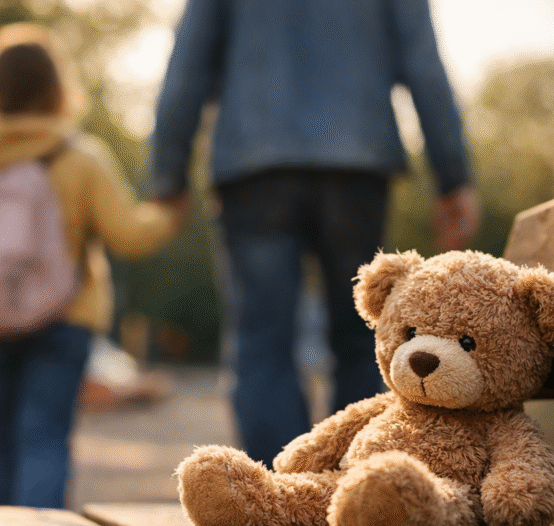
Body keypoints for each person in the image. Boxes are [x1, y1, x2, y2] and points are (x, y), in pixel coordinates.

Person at [148, 0, 480, 467]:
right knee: (364, 339)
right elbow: (423, 62)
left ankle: (278, 496)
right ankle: (363, 490)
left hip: (254, 166)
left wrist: (168, 175)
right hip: (357, 163)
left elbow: (188, 65)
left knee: (262, 344)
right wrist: (453, 176)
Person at [0, 24, 186, 508]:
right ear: (57, 87)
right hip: (62, 320)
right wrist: (170, 213)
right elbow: (128, 236)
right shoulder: (78, 158)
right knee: (44, 439)